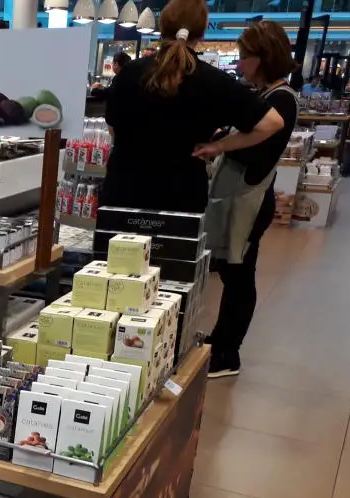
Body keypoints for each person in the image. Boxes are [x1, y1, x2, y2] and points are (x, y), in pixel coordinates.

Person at [101, 0, 284, 213]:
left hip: (123, 192)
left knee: (117, 246)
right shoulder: (214, 81)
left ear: (163, 27)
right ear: (202, 33)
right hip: (182, 196)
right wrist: (219, 146)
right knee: (174, 247)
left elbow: (113, 128)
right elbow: (272, 123)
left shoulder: (129, 73)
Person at [203, 21, 298, 378]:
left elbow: (258, 153)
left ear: (263, 57)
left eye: (244, 56)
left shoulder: (281, 101)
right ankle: (219, 341)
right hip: (241, 198)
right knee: (233, 272)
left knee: (239, 276)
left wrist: (221, 144)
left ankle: (227, 353)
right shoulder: (267, 95)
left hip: (250, 202)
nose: (240, 63)